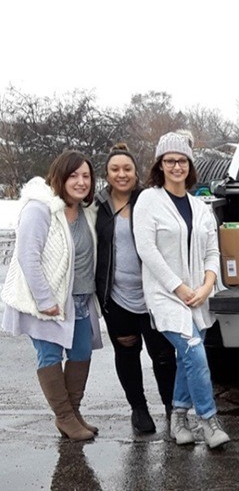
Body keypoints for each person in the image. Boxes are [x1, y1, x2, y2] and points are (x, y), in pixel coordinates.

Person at [132, 132, 230, 449]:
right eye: (170, 160)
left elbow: (213, 252)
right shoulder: (149, 200)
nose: (177, 166)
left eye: (182, 160)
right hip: (166, 295)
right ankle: (209, 420)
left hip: (198, 297)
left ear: (190, 165)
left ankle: (178, 416)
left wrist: (205, 285)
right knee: (194, 350)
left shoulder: (201, 207)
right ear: (160, 165)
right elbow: (147, 250)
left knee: (190, 357)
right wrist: (180, 288)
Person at [1, 150, 102, 441]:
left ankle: (74, 411)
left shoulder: (85, 211)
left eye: (86, 176)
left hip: (81, 298)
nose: (81, 182)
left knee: (82, 353)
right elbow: (27, 256)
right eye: (74, 175)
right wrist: (45, 300)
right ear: (59, 176)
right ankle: (64, 417)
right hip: (46, 301)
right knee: (50, 355)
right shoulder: (40, 208)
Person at [95, 142, 176, 434]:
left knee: (164, 355)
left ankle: (172, 409)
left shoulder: (149, 200)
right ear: (107, 173)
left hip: (153, 297)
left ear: (136, 172)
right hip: (116, 299)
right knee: (127, 354)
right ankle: (138, 409)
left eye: (127, 168)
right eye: (115, 169)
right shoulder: (97, 206)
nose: (121, 174)